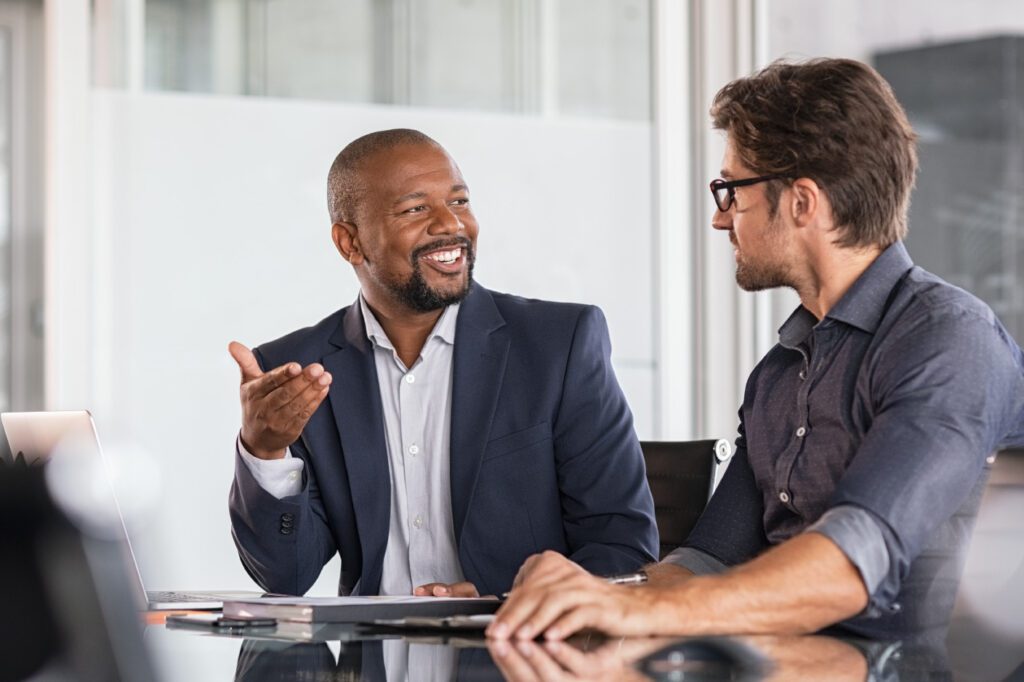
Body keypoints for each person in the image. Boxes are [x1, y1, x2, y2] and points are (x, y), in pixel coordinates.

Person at [488, 58, 1024, 642]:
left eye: (731, 191)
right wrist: (590, 593)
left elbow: (853, 564)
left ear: (802, 202)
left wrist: (635, 613)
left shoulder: (947, 340)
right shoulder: (778, 373)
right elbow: (704, 563)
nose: (721, 220)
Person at [227, 129, 658, 598]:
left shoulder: (559, 346)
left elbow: (622, 548)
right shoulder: (297, 371)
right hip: (373, 662)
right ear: (349, 242)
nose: (450, 224)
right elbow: (286, 577)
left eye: (459, 201)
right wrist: (264, 452)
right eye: (415, 209)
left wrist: (505, 604)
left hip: (518, 656)